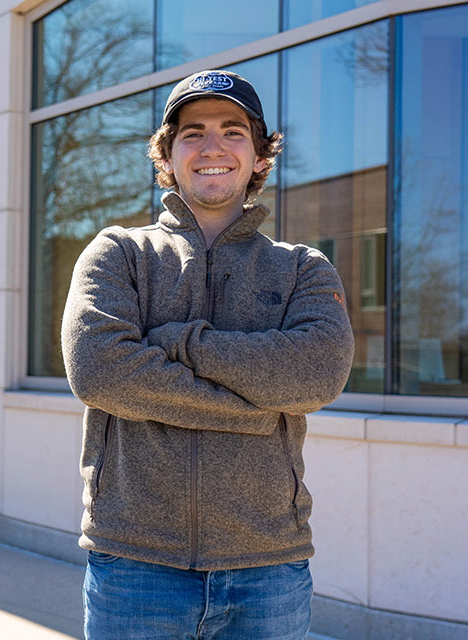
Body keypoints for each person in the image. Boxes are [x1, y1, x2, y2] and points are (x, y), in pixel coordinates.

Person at [60, 70, 355, 640]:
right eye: (192, 133)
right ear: (167, 154)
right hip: (135, 565)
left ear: (260, 156)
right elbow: (99, 370)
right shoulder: (119, 254)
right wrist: (257, 409)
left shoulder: (303, 268)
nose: (213, 147)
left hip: (267, 567)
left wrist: (180, 343)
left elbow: (317, 372)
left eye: (233, 131)